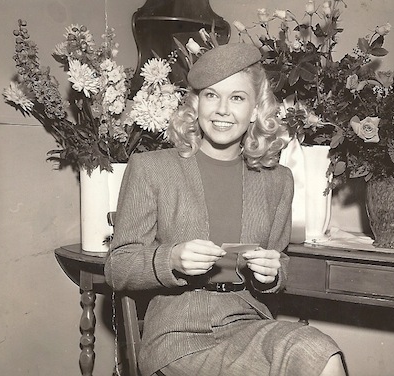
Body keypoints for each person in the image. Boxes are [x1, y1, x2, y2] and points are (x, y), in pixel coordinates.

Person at [104, 43, 346, 376]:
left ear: (255, 109)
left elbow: (281, 263)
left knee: (321, 354)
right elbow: (117, 266)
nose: (222, 110)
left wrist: (271, 273)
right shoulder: (152, 168)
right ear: (196, 104)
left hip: (249, 322)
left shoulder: (278, 181)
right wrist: (170, 258)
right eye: (211, 96)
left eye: (237, 98)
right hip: (178, 335)